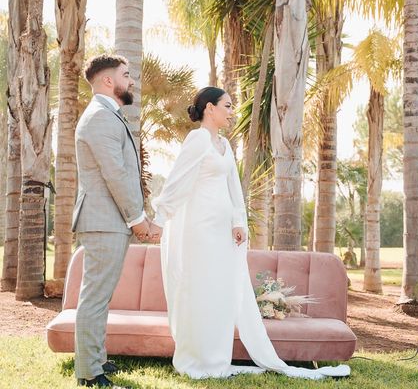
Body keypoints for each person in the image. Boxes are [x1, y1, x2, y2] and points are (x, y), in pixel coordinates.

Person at [150, 87, 350, 380]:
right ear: (209, 108)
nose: (232, 112)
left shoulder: (225, 145)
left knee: (220, 292)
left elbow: (233, 187)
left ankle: (217, 358)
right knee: (202, 291)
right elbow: (176, 182)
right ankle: (198, 358)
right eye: (227, 106)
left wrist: (238, 221)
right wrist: (159, 218)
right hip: (198, 231)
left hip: (220, 232)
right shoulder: (197, 140)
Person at [73, 55, 160, 388]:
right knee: (95, 297)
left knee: (100, 296)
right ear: (109, 81)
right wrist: (138, 220)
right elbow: (117, 176)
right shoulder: (100, 118)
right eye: (127, 75)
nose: (132, 81)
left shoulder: (108, 115)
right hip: (103, 220)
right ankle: (89, 373)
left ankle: (95, 360)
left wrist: (140, 217)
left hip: (109, 220)